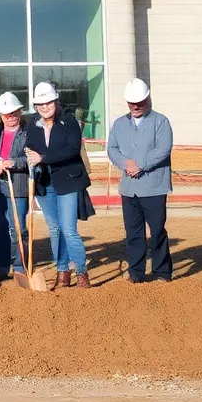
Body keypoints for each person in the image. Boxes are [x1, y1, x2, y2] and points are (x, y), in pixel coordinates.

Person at [26, 81, 93, 289]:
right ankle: (62, 270)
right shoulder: (33, 126)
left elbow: (71, 150)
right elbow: (30, 151)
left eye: (48, 102)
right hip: (45, 185)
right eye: (40, 104)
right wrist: (32, 162)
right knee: (54, 229)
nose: (44, 107)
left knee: (68, 229)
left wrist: (43, 158)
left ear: (55, 101)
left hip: (68, 181)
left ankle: (81, 272)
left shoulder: (69, 121)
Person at [107, 78, 174, 284]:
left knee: (157, 232)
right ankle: (136, 272)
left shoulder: (161, 122)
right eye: (131, 102)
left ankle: (162, 272)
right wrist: (125, 164)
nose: (135, 106)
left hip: (153, 187)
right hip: (129, 189)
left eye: (140, 102)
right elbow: (112, 149)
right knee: (133, 233)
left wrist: (140, 165)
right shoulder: (119, 124)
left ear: (148, 98)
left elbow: (163, 149)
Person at [0, 92, 30, 282]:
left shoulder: (29, 132)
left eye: (13, 113)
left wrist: (13, 163)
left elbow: (31, 158)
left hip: (19, 185)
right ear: (0, 115)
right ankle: (2, 267)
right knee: (1, 227)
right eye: (6, 114)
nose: (10, 117)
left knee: (18, 227)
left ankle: (20, 267)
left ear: (20, 111)